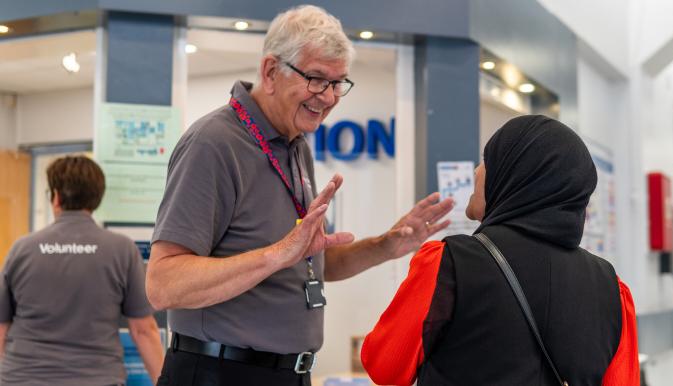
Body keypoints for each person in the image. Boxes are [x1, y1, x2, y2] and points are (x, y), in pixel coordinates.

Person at [146, 5, 454, 386]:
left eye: (338, 82)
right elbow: (162, 284)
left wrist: (387, 246)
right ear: (270, 71)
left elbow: (307, 264)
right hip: (220, 372)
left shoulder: (295, 146)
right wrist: (278, 254)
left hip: (289, 373)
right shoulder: (213, 143)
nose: (328, 97)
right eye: (316, 79)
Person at [361, 115, 640, 386]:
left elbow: (385, 367)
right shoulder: (611, 290)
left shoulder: (448, 265)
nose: (476, 171)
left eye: (487, 161)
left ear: (515, 177)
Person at [0, 155, 165, 386]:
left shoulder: (22, 249)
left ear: (55, 197)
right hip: (96, 379)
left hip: (24, 378)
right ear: (96, 198)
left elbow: (2, 327)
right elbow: (143, 331)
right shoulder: (121, 250)